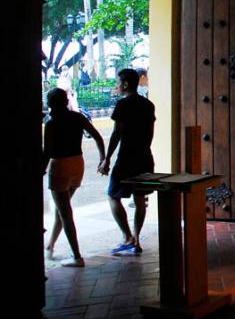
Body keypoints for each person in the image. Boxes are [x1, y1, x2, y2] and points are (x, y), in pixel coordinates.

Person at [42, 88, 106, 267]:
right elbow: (97, 136)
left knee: (65, 212)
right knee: (62, 208)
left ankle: (77, 256)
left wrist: (40, 169)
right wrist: (103, 158)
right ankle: (51, 246)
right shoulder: (77, 117)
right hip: (78, 163)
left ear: (50, 103)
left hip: (60, 166)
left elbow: (47, 152)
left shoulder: (51, 123)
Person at [100, 68, 156, 255]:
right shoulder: (148, 105)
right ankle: (137, 239)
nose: (116, 87)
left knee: (113, 195)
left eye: (118, 83)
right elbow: (150, 134)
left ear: (125, 84)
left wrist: (107, 159)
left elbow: (117, 133)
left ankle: (127, 237)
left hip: (126, 158)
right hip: (144, 156)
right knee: (140, 198)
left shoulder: (122, 105)